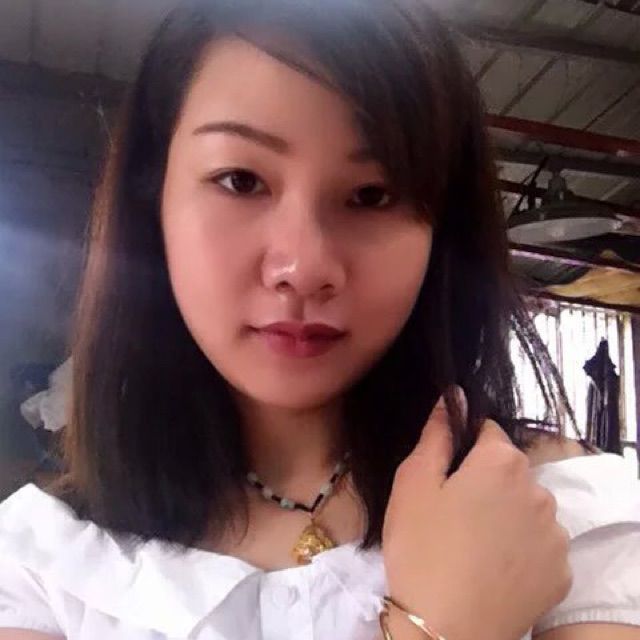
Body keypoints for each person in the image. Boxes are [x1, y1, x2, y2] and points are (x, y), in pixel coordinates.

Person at [1, 1, 639, 639]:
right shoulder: (43, 565)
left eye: (371, 195)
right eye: (241, 180)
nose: (303, 268)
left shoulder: (553, 512)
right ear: (154, 199)